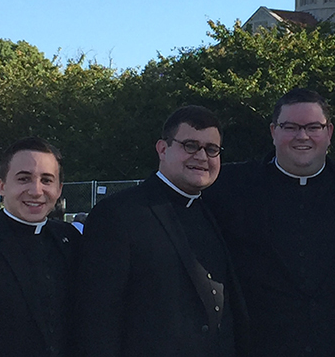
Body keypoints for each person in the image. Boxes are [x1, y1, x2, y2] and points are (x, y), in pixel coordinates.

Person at [205, 88, 335, 357]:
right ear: (274, 132)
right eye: (290, 127)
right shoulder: (230, 187)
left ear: (329, 132)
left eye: (313, 127)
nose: (302, 136)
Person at [75, 106, 249, 357]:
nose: (201, 156)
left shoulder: (217, 212)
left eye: (211, 149)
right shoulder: (118, 214)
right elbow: (97, 318)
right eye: (190, 145)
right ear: (162, 149)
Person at [0, 137, 81, 357]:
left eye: (46, 180)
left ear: (59, 189)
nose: (36, 190)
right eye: (24, 179)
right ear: (1, 186)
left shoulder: (70, 241)